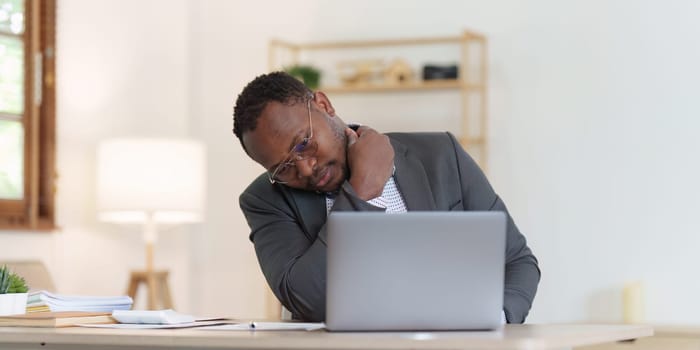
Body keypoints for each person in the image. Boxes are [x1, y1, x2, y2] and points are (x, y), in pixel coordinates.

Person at [232, 72, 540, 323]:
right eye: (283, 168)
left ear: (324, 105)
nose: (306, 168)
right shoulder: (266, 199)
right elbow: (309, 300)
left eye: (303, 144)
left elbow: (517, 262)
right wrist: (362, 190)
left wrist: (492, 324)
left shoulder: (441, 155)